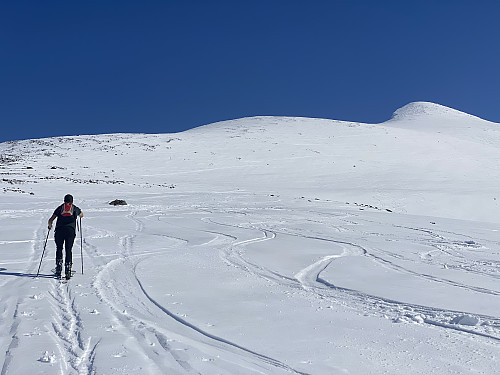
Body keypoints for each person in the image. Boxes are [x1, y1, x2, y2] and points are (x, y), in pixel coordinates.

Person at [48, 194, 83, 279]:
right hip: (70, 231)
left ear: (64, 200)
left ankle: (59, 268)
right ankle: (68, 269)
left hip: (59, 231)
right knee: (68, 249)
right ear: (72, 201)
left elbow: (50, 219)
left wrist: (50, 226)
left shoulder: (60, 208)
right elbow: (81, 215)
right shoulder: (74, 208)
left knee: (59, 248)